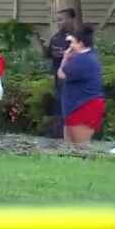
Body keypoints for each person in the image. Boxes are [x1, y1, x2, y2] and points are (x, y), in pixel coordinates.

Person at [57, 26, 105, 145]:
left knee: (81, 146)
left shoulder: (83, 60)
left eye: (72, 42)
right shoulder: (82, 58)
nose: (70, 46)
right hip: (76, 106)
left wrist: (65, 58)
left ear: (81, 43)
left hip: (84, 106)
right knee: (69, 144)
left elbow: (61, 74)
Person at [37, 8, 80, 136]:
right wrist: (43, 45)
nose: (58, 23)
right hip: (58, 80)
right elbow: (49, 55)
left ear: (70, 20)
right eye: (57, 20)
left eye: (61, 19)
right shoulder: (56, 37)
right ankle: (59, 134)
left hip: (72, 79)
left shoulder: (77, 37)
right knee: (59, 107)